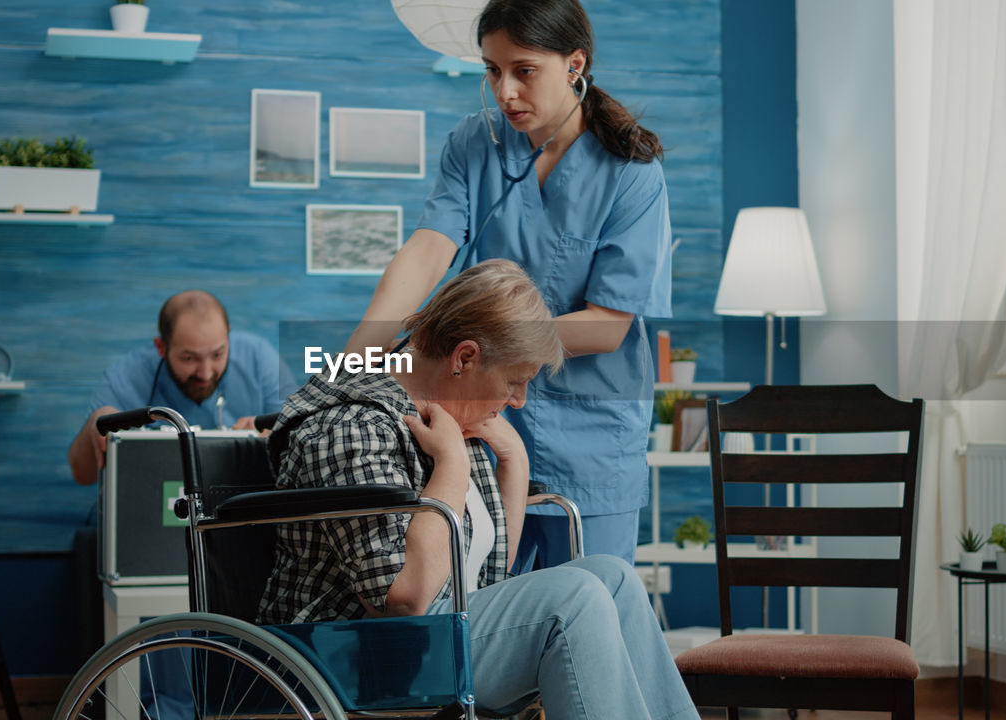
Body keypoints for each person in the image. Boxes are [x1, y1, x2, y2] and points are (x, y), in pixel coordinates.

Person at [261, 260, 697, 720]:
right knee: (573, 597)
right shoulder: (353, 428)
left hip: (434, 637)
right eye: (515, 381)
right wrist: (450, 465)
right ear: (464, 358)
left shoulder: (450, 420)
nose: (518, 401)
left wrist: (512, 462)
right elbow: (404, 599)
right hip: (353, 653)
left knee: (614, 578)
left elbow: (484, 578)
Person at [344, 0, 671, 568]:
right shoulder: (476, 143)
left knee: (591, 609)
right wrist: (360, 352)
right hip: (488, 421)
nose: (504, 92)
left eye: (524, 71)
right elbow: (428, 251)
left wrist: (480, 343)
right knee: (490, 608)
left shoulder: (631, 169)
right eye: (492, 70)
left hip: (593, 434)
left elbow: (608, 325)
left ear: (574, 64)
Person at [68, 289, 296, 486]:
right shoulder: (126, 378)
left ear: (228, 337)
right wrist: (96, 424)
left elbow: (300, 448)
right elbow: (83, 474)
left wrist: (273, 442)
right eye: (189, 358)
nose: (205, 373)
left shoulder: (260, 360)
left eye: (218, 354)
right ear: (161, 347)